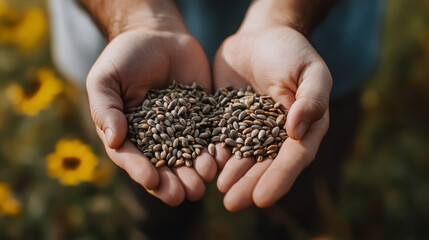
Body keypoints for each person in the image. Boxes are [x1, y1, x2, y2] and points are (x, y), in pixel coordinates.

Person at [49, 0, 382, 237]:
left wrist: (284, 13)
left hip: (297, 66)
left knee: (299, 213)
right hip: (125, 58)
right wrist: (134, 17)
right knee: (155, 211)